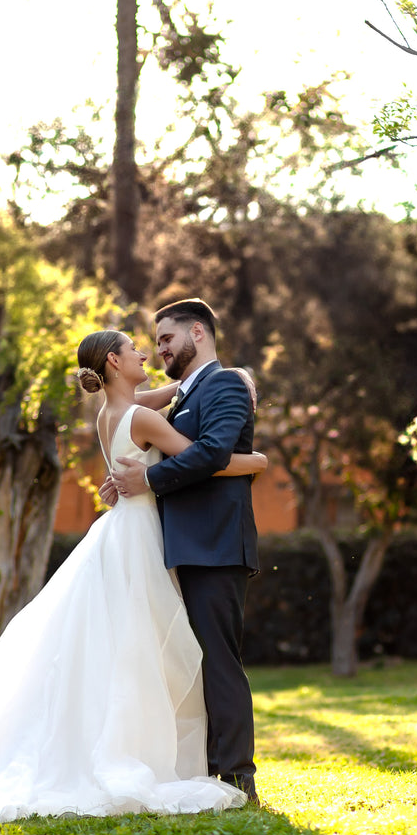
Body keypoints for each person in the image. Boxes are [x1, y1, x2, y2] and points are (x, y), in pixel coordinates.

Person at [0, 329, 268, 822]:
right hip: (139, 538)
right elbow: (204, 457)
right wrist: (255, 461)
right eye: (135, 348)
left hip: (119, 531)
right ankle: (143, 752)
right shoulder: (143, 419)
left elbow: (169, 395)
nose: (145, 353)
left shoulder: (110, 413)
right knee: (142, 648)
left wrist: (200, 386)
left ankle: (128, 744)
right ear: (114, 361)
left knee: (119, 647)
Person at [106, 298, 261, 806]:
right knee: (188, 663)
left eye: (167, 339)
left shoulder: (225, 384)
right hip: (179, 547)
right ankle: (202, 769)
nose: (160, 349)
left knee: (218, 660)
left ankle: (238, 778)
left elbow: (215, 451)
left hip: (216, 544)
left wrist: (147, 477)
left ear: (198, 331)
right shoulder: (177, 400)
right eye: (154, 343)